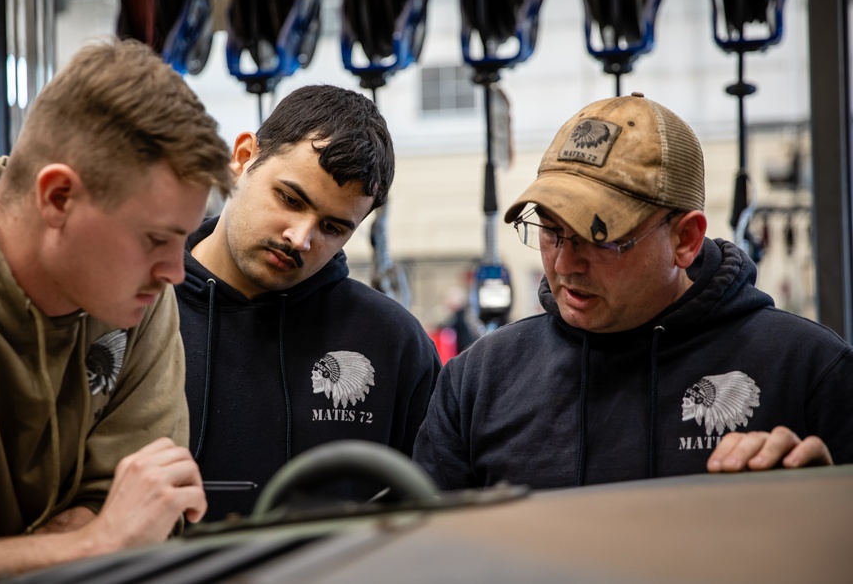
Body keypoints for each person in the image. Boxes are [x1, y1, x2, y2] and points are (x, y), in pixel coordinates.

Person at [0, 38, 234, 581]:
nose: (176, 270)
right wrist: (90, 545)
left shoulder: (141, 302)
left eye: (182, 240)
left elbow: (143, 511)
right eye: (154, 238)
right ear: (58, 197)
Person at [413, 92, 853, 492]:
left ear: (685, 239)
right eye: (550, 230)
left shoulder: (808, 370)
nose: (565, 265)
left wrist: (826, 502)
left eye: (601, 237)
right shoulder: (479, 381)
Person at [175, 84, 443, 520]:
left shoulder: (392, 344)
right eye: (290, 199)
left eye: (333, 228)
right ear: (243, 158)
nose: (300, 239)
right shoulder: (138, 308)